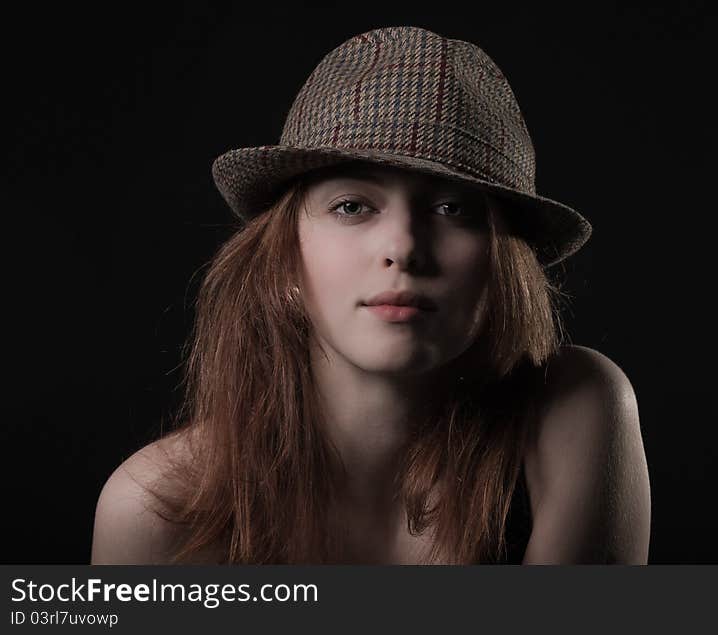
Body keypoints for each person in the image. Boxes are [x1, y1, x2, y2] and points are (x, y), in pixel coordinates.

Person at [90, 25, 650, 565]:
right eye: (352, 206)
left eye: (452, 208)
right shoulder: (158, 510)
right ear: (283, 258)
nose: (403, 247)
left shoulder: (577, 406)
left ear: (503, 265)